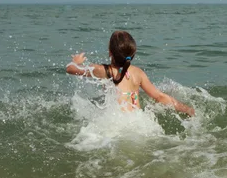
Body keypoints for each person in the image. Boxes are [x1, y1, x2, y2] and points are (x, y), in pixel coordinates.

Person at [66, 30, 195, 116]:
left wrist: (76, 61)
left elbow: (70, 69)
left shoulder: (103, 70)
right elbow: (160, 97)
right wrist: (186, 109)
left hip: (118, 122)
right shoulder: (138, 73)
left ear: (110, 52)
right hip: (137, 122)